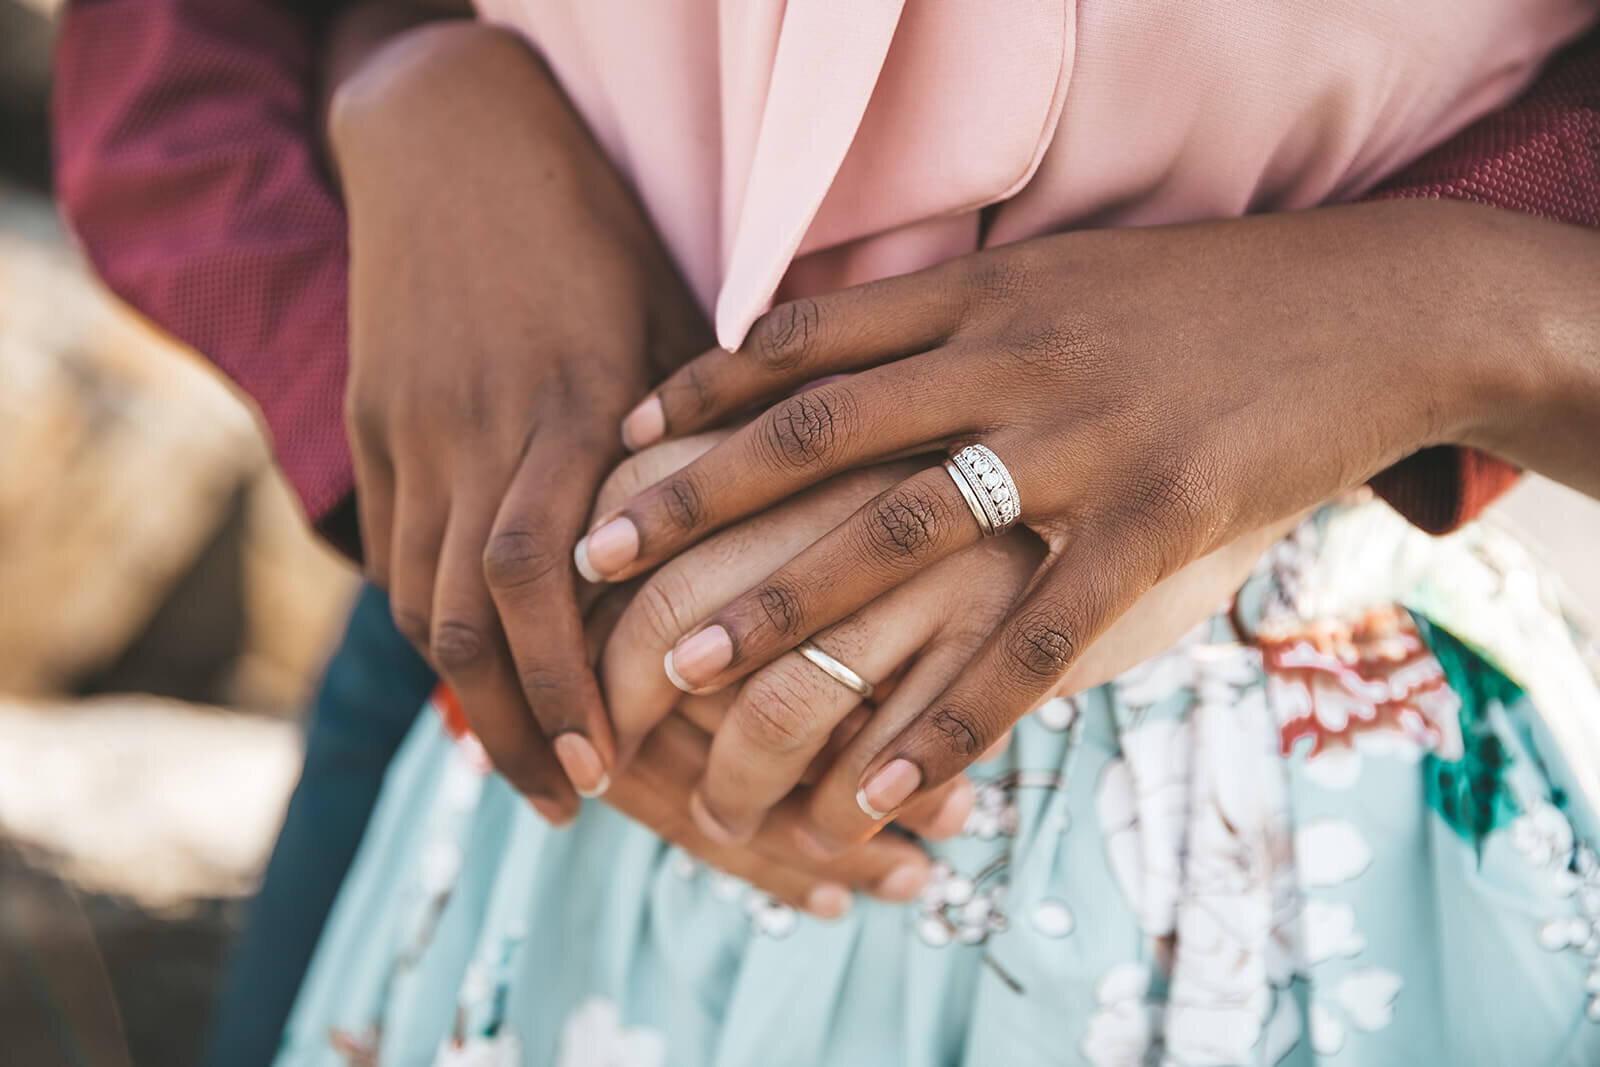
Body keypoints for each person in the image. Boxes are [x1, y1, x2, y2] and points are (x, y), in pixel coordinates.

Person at [52, 0, 1600, 1063]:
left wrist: (1423, 315)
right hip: (524, 666)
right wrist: (399, 73)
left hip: (1300, 781)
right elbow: (177, 53)